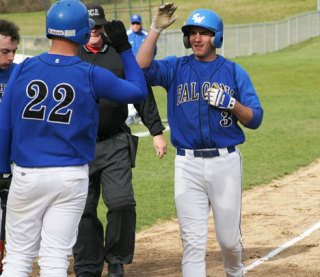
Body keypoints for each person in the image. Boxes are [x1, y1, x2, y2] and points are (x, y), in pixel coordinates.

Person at [0, 0, 148, 276]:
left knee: (18, 258)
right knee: (55, 257)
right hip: (70, 176)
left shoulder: (22, 69)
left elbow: (4, 124)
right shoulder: (90, 74)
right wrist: (126, 50)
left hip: (27, 174)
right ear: (82, 33)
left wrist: (2, 170)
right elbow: (138, 92)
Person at [136, 3, 264, 277]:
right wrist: (155, 29)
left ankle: (234, 271)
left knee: (229, 241)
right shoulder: (176, 67)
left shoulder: (233, 71)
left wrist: (232, 104)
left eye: (204, 33)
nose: (197, 38)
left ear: (216, 37)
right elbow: (140, 69)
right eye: (192, 33)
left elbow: (255, 119)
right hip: (187, 165)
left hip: (225, 162)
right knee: (193, 244)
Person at [72, 4, 167, 277]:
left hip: (114, 141)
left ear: (104, 27)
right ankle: (88, 264)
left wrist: (157, 130)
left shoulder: (119, 55)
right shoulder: (72, 56)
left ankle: (115, 258)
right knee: (84, 209)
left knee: (122, 202)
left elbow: (142, 92)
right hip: (80, 146)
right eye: (89, 26)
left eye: (99, 26)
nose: (94, 31)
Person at [0, 19, 20, 273]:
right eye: (5, 51)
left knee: (11, 219)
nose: (11, 56)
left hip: (14, 158)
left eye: (14, 50)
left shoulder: (19, 73)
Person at [126, 13, 156, 125]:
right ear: (130, 24)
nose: (135, 25)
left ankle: (143, 115)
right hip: (129, 68)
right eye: (133, 23)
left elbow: (154, 49)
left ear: (141, 24)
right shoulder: (126, 35)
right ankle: (130, 115)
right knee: (129, 90)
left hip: (143, 69)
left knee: (145, 92)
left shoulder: (146, 35)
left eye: (137, 23)